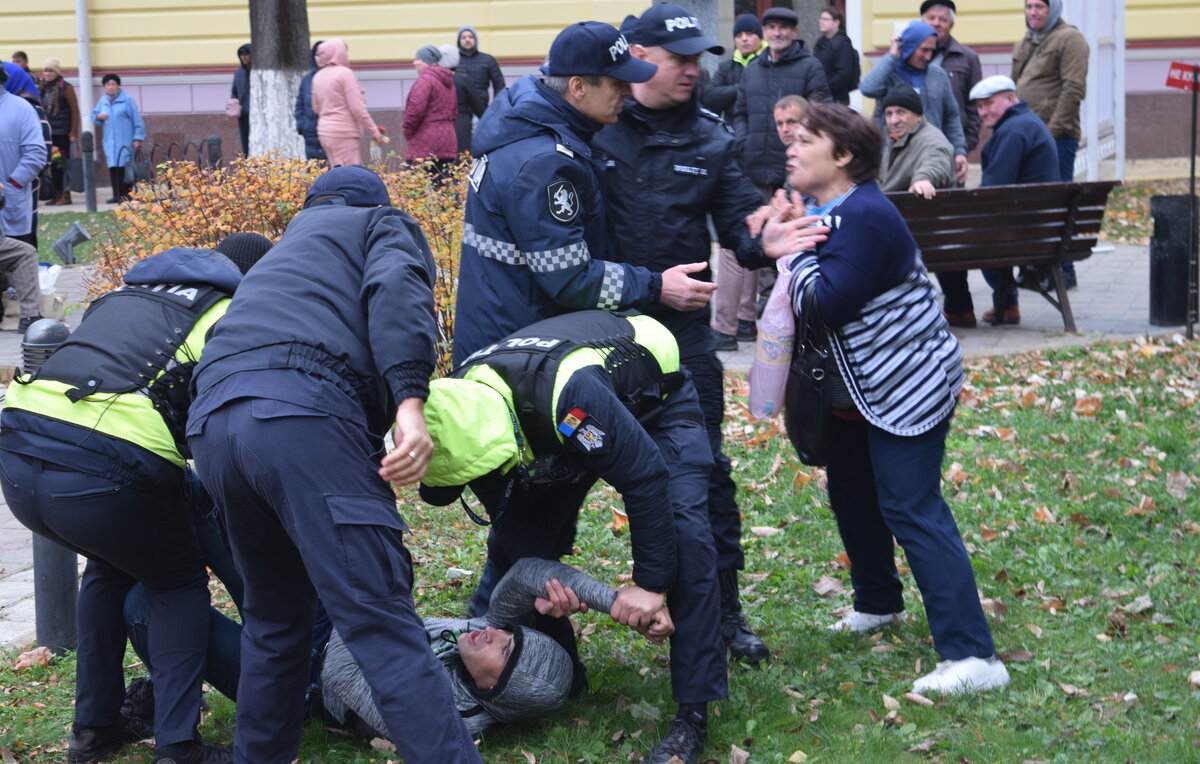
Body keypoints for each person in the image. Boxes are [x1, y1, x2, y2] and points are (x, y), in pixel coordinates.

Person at [185, 166, 481, 764]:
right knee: (380, 621)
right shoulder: (379, 223)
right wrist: (410, 404)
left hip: (213, 426)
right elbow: (398, 291)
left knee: (274, 624)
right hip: (302, 415)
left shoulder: (276, 255)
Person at [764, 102, 1009, 696]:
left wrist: (788, 252)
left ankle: (975, 657)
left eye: (805, 141)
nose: (790, 150)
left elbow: (828, 302)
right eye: (789, 141)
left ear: (843, 156)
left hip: (908, 382)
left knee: (909, 505)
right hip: (861, 386)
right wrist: (787, 235)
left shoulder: (866, 214)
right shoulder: (832, 210)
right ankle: (878, 602)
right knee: (851, 488)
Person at [0, 236, 273, 764]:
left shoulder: (130, 294)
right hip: (105, 469)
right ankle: (177, 746)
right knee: (175, 583)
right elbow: (227, 420)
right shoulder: (230, 313)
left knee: (107, 569)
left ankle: (92, 732)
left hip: (20, 452)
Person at [423, 309, 724, 764]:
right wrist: (548, 587)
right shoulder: (457, 405)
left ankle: (693, 714)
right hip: (550, 430)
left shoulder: (568, 395)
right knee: (510, 548)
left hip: (651, 398)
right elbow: (520, 529)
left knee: (685, 536)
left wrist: (652, 586)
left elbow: (645, 476)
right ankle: (567, 671)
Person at [593, 3, 773, 668]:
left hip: (684, 342)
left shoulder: (712, 138)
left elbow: (742, 232)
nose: (694, 71)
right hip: (599, 334)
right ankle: (527, 611)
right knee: (562, 478)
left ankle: (725, 614)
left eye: (700, 59)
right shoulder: (596, 126)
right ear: (638, 56)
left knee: (705, 477)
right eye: (681, 59)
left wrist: (766, 239)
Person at [453, 20, 715, 364]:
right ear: (578, 87)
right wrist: (656, 287)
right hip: (520, 359)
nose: (627, 92)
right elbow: (570, 280)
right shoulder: (544, 163)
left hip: (507, 337)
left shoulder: (528, 127)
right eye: (617, 83)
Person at [701, 13, 767, 352]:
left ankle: (743, 320)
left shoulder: (768, 64)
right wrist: (741, 89)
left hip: (766, 162)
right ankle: (736, 322)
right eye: (739, 34)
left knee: (751, 241)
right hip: (742, 155)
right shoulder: (729, 67)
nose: (744, 39)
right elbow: (711, 98)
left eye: (749, 34)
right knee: (742, 240)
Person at [970, 75, 1058, 325]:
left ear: (1010, 98)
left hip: (1022, 232)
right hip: (1042, 228)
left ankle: (959, 306)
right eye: (979, 106)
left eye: (988, 104)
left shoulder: (1012, 131)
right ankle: (1007, 304)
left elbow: (993, 189)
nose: (983, 112)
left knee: (953, 240)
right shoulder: (1028, 122)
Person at [1013, 0, 1088, 289]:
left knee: (1056, 205)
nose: (1033, 12)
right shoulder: (1025, 41)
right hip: (1025, 138)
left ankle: (1064, 272)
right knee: (1030, 205)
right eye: (1029, 6)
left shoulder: (1070, 39)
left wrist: (1050, 133)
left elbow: (1073, 90)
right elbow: (1015, 85)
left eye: (1040, 6)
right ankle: (1033, 268)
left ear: (1053, 9)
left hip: (1056, 138)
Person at [732, 6, 831, 196]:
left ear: (794, 32)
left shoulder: (811, 67)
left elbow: (822, 113)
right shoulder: (751, 70)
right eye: (771, 27)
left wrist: (802, 144)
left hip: (796, 170)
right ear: (764, 32)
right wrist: (744, 144)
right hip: (755, 169)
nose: (777, 33)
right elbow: (740, 113)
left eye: (784, 27)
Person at [859, 20, 967, 185]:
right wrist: (892, 56)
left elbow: (951, 116)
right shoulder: (890, 73)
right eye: (923, 50)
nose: (928, 56)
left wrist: (959, 151)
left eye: (932, 50)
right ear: (909, 46)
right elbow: (867, 88)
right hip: (894, 159)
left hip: (929, 152)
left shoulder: (937, 75)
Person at [0, 65, 47, 277]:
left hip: (10, 201)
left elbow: (36, 154)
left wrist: (12, 185)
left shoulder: (21, 108)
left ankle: (21, 307)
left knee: (14, 266)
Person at [920, 1, 981, 154]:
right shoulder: (910, 57)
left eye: (943, 19)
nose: (936, 23)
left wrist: (967, 143)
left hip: (953, 145)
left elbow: (976, 105)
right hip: (917, 145)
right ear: (922, 21)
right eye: (931, 18)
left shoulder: (968, 58)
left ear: (951, 24)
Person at [311, 39, 384, 167]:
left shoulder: (318, 76)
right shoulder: (345, 74)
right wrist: (374, 132)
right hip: (344, 132)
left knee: (336, 171)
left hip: (324, 132)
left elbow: (316, 107)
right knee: (349, 173)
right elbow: (357, 108)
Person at [878, 85, 955, 200]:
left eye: (901, 112)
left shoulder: (931, 139)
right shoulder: (895, 138)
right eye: (889, 114)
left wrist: (923, 179)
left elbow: (937, 161)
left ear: (918, 115)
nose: (894, 121)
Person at [91, 73, 145, 203]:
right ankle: (116, 195)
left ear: (118, 85)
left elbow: (137, 120)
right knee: (113, 168)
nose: (110, 87)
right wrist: (98, 117)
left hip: (125, 140)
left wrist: (137, 138)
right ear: (104, 86)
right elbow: (94, 116)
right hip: (110, 141)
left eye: (113, 84)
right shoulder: (103, 101)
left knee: (125, 168)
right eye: (108, 84)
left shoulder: (127, 100)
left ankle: (126, 195)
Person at [404, 44, 460, 169]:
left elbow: (415, 111)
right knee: (443, 186)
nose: (414, 63)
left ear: (426, 62)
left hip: (424, 145)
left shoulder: (425, 80)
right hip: (448, 142)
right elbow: (454, 112)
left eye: (418, 59)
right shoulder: (448, 82)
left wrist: (408, 132)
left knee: (415, 185)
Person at [453, 25, 506, 155]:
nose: (467, 39)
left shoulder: (487, 60)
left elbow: (499, 85)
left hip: (481, 110)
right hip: (459, 111)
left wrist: (495, 107)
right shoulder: (454, 61)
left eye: (470, 37)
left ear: (475, 39)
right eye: (463, 37)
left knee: (480, 144)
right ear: (459, 40)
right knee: (460, 147)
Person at [39, 58, 79, 206]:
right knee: (53, 166)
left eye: (50, 71)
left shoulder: (65, 87)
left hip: (63, 132)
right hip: (49, 133)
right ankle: (56, 194)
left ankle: (66, 195)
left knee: (62, 165)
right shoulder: (42, 87)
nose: (47, 74)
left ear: (56, 72)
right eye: (45, 71)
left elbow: (74, 111)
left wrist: (73, 131)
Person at [813, 6, 860, 105]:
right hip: (821, 97)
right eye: (821, 19)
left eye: (825, 19)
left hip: (837, 99)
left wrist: (823, 85)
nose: (821, 21)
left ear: (836, 22)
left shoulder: (843, 43)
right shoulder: (820, 42)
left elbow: (844, 74)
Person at [292, 40, 328, 162]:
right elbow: (300, 103)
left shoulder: (338, 76)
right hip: (310, 133)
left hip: (331, 132)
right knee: (314, 171)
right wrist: (302, 125)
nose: (319, 58)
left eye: (323, 54)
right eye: (316, 54)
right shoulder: (307, 79)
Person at [230, 43, 251, 155]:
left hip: (258, 115)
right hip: (244, 115)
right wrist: (234, 103)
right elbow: (234, 91)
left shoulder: (259, 72)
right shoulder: (239, 73)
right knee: (246, 143)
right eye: (241, 55)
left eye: (246, 54)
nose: (244, 57)